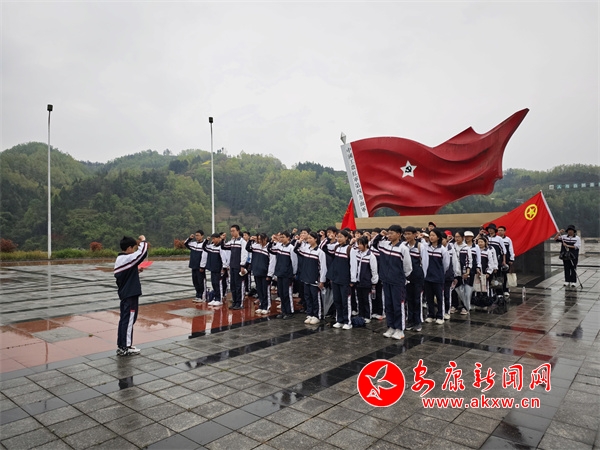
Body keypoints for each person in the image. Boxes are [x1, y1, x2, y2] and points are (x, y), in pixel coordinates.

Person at [372, 225, 412, 340]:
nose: (389, 235)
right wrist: (380, 235)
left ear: (399, 234)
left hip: (398, 281)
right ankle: (391, 327)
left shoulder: (403, 248)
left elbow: (408, 267)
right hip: (386, 280)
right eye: (388, 233)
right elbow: (373, 244)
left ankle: (400, 329)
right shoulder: (384, 245)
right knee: (388, 305)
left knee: (398, 305)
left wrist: (401, 277)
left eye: (392, 233)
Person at [114, 235, 148, 356]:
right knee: (128, 320)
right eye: (133, 248)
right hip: (130, 294)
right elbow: (142, 253)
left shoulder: (120, 259)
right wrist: (143, 241)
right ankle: (126, 347)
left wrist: (136, 270)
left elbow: (125, 274)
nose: (133, 250)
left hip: (126, 294)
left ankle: (122, 345)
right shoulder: (126, 258)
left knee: (125, 320)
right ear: (129, 248)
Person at [323, 229, 356, 329]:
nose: (339, 239)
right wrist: (328, 239)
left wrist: (352, 280)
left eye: (341, 237)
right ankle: (339, 320)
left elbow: (353, 265)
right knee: (337, 300)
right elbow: (324, 248)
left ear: (346, 238)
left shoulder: (350, 249)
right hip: (336, 278)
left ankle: (347, 321)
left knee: (345, 301)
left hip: (345, 279)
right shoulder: (336, 247)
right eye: (338, 237)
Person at [295, 231, 327, 324]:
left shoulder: (320, 252)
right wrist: (299, 242)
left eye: (310, 238)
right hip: (306, 277)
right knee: (307, 297)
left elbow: (323, 267)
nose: (308, 240)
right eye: (308, 238)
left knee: (315, 298)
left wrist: (322, 280)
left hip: (314, 279)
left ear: (315, 239)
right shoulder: (306, 249)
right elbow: (296, 250)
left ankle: (317, 315)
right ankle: (310, 314)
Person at [422, 228, 450, 325]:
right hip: (427, 276)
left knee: (439, 297)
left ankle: (440, 316)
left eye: (433, 235)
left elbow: (446, 265)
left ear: (438, 237)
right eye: (430, 235)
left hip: (438, 277)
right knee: (429, 297)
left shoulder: (443, 250)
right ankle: (431, 315)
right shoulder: (426, 248)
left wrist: (440, 273)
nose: (431, 237)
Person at [268, 231, 298, 319]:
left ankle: (289, 311)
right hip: (279, 273)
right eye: (280, 237)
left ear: (288, 238)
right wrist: (272, 241)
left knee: (287, 293)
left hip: (287, 274)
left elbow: (294, 262)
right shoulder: (279, 246)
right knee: (281, 293)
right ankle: (283, 311)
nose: (281, 239)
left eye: (283, 237)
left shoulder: (291, 248)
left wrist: (293, 273)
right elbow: (270, 250)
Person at [351, 236, 378, 323]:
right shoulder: (357, 253)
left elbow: (374, 270)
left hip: (367, 281)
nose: (358, 246)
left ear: (366, 244)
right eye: (358, 244)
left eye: (360, 244)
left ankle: (367, 315)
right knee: (359, 299)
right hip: (358, 281)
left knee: (367, 299)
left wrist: (374, 281)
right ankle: (361, 314)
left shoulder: (371, 256)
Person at [246, 233, 275, 314]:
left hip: (265, 273)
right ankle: (261, 305)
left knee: (265, 290)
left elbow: (272, 262)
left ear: (265, 239)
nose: (259, 241)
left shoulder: (269, 248)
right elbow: (247, 248)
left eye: (260, 239)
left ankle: (266, 306)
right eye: (258, 239)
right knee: (259, 290)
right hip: (256, 271)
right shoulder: (256, 246)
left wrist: (270, 274)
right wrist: (250, 240)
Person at [222, 225, 249, 310]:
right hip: (232, 265)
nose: (232, 232)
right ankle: (235, 302)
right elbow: (224, 247)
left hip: (238, 266)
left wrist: (242, 265)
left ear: (238, 231)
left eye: (233, 231)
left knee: (238, 285)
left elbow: (244, 254)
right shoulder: (232, 241)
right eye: (231, 231)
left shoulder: (242, 241)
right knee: (232, 285)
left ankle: (239, 303)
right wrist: (222, 239)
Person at [402, 226, 424, 332]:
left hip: (417, 276)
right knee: (408, 299)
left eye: (409, 234)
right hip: (407, 276)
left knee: (417, 299)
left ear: (415, 234)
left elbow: (425, 262)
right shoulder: (403, 246)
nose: (407, 236)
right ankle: (410, 320)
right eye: (405, 234)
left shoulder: (420, 246)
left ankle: (417, 321)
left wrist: (423, 276)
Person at [201, 233, 227, 306]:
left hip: (219, 269)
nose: (213, 240)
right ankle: (215, 298)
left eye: (214, 238)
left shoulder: (221, 247)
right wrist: (206, 240)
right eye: (212, 239)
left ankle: (219, 299)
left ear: (219, 238)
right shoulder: (211, 246)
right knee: (214, 283)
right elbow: (204, 247)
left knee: (218, 284)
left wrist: (224, 268)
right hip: (213, 268)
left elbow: (224, 258)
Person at [452, 231, 473, 315]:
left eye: (458, 237)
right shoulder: (452, 246)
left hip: (463, 272)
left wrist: (467, 272)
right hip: (454, 271)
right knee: (454, 288)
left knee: (464, 289)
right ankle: (454, 305)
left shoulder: (466, 248)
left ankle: (465, 306)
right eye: (455, 237)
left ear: (463, 238)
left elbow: (469, 260)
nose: (456, 238)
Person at [184, 230, 206, 302]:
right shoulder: (193, 244)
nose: (197, 237)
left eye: (198, 235)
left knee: (201, 281)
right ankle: (197, 295)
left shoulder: (204, 245)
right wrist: (190, 238)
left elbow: (204, 257)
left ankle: (202, 296)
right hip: (193, 265)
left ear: (202, 236)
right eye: (196, 235)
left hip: (200, 267)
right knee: (195, 281)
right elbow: (186, 244)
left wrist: (202, 266)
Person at [497, 225, 515, 296]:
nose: (500, 232)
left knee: (505, 275)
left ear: (504, 231)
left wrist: (511, 259)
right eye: (499, 230)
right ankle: (498, 290)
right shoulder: (496, 239)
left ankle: (505, 289)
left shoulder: (508, 239)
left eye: (501, 230)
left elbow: (511, 249)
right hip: (498, 259)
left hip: (506, 259)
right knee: (498, 275)